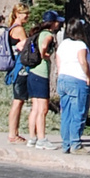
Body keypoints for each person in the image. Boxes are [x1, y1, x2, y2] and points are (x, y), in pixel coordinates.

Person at [25, 11, 62, 150]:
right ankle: (42, 139)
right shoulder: (48, 35)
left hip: (32, 73)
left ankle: (32, 138)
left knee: (35, 108)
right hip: (41, 74)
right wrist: (45, 55)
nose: (58, 24)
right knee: (43, 108)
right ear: (52, 23)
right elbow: (44, 47)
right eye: (57, 21)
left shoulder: (37, 33)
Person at [55, 18, 90, 153]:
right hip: (78, 79)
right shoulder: (80, 45)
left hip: (63, 78)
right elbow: (83, 61)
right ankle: (76, 144)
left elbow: (58, 62)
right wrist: (88, 76)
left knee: (66, 113)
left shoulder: (63, 44)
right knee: (79, 112)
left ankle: (66, 144)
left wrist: (60, 75)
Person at [5, 4, 30, 145]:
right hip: (19, 68)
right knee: (18, 101)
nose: (26, 16)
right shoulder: (19, 29)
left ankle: (13, 133)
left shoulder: (11, 28)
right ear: (17, 14)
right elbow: (27, 47)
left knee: (18, 100)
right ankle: (13, 134)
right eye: (24, 13)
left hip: (14, 68)